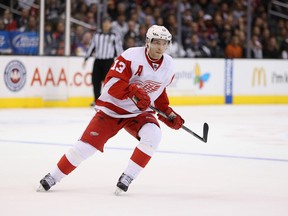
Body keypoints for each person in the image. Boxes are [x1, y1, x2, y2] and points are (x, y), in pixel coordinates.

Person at [37, 25, 184, 195]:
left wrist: (168, 113)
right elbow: (111, 83)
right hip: (112, 109)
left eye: (164, 43)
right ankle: (53, 176)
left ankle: (127, 177)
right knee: (85, 147)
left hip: (138, 113)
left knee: (154, 135)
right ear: (148, 42)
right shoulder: (131, 56)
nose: (160, 47)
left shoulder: (169, 66)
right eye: (156, 42)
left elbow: (158, 92)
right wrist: (132, 91)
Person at [83, 16, 123, 106]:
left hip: (108, 61)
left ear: (110, 24)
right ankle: (97, 100)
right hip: (98, 61)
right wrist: (86, 58)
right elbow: (91, 47)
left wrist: (121, 60)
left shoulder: (114, 35)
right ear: (102, 24)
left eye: (108, 23)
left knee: (108, 82)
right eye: (104, 23)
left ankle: (107, 100)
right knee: (95, 81)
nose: (106, 25)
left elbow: (118, 48)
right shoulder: (97, 35)